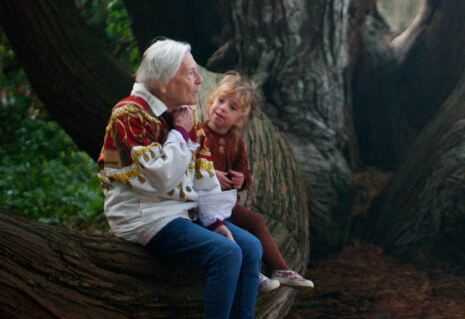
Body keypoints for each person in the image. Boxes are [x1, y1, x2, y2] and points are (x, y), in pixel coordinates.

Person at [97, 39, 262, 319]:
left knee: (251, 247)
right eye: (190, 73)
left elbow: (203, 175)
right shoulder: (128, 114)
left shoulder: (183, 113)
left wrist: (216, 221)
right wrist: (180, 133)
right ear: (164, 82)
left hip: (179, 212)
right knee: (226, 254)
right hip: (144, 216)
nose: (200, 79)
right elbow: (161, 178)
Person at [200, 72, 314, 291]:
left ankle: (281, 269)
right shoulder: (199, 133)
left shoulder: (236, 143)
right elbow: (188, 166)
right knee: (225, 231)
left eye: (232, 107)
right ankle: (251, 272)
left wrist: (240, 179)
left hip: (225, 204)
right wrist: (210, 173)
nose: (222, 108)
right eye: (220, 101)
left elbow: (245, 177)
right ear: (211, 101)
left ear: (240, 119)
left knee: (256, 221)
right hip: (203, 202)